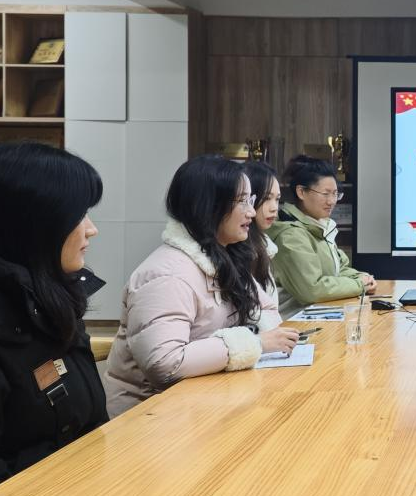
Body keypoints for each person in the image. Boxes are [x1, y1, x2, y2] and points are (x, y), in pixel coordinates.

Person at [0, 142, 108, 489]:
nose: (91, 229)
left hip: (80, 490)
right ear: (34, 223)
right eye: (78, 215)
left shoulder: (46, 293)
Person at [104, 155, 298, 416]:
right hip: (149, 416)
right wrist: (254, 343)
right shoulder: (167, 275)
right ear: (208, 205)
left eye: (251, 200)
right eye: (242, 201)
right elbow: (165, 363)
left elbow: (266, 311)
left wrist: (262, 337)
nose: (252, 212)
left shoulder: (227, 256)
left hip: (203, 403)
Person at [268, 155, 374, 316]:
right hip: (293, 320)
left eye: (335, 194)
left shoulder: (320, 226)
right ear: (301, 192)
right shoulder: (290, 235)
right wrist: (359, 285)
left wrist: (363, 277)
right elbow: (312, 289)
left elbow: (340, 269)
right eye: (325, 194)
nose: (331, 201)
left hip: (317, 314)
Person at [243, 160, 282, 318]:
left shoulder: (263, 245)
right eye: (266, 198)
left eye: (277, 199)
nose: (274, 208)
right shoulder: (237, 247)